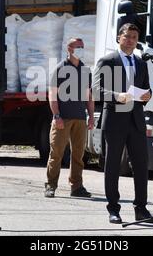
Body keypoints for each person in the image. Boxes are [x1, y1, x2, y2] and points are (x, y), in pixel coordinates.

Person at [93, 23, 152, 224]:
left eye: (135, 37)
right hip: (115, 120)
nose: (131, 40)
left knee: (141, 165)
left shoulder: (141, 63)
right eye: (127, 36)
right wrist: (117, 96)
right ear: (119, 38)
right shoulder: (108, 60)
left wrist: (147, 96)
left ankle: (141, 208)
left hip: (136, 120)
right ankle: (113, 209)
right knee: (113, 165)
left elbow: (146, 90)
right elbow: (96, 90)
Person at [45, 38, 94, 198]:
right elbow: (52, 94)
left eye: (82, 46)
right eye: (78, 46)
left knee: (78, 155)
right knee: (56, 153)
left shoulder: (86, 70)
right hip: (63, 118)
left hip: (80, 118)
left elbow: (88, 95)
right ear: (69, 49)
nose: (81, 49)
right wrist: (56, 115)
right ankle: (51, 186)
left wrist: (91, 116)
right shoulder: (60, 68)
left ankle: (77, 187)